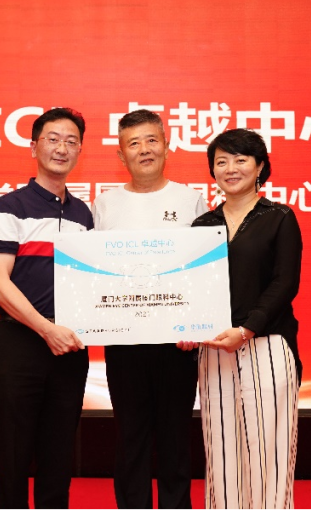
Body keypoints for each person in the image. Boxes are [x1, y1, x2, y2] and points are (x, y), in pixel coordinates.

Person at [92, 109, 209, 510]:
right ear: (120, 154)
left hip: (178, 342)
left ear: (166, 146)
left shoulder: (191, 200)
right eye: (134, 143)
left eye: (152, 140)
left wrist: (196, 324)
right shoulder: (104, 204)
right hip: (123, 341)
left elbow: (204, 268)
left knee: (176, 440)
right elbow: (95, 272)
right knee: (131, 439)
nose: (144, 149)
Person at [181, 128, 303, 510]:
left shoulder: (279, 218)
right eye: (221, 162)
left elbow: (285, 282)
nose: (230, 169)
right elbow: (191, 286)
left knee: (269, 453)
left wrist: (247, 328)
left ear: (260, 166)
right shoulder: (202, 225)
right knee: (221, 452)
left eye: (240, 159)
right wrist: (185, 327)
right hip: (214, 347)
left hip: (267, 346)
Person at [0, 107, 93, 510]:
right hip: (20, 344)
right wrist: (47, 329)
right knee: (13, 456)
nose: (62, 148)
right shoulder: (9, 205)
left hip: (70, 349)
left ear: (79, 151)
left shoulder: (84, 215)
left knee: (58, 457)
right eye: (53, 139)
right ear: (34, 147)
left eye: (71, 141)